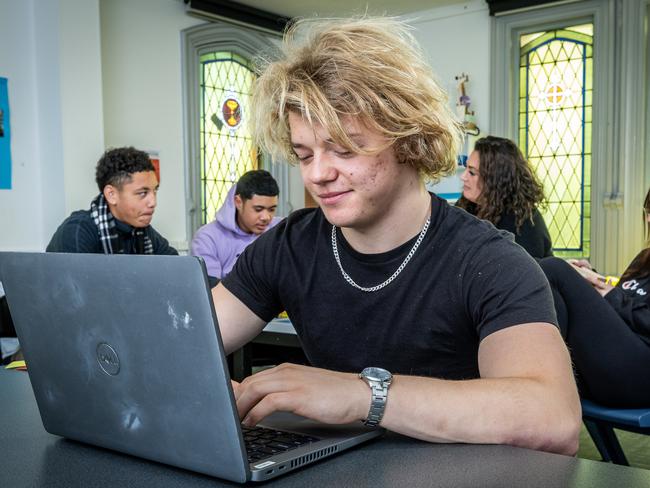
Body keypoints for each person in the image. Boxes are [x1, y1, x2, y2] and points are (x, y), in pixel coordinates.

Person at [212, 17, 580, 455]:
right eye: (304, 154)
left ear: (409, 140)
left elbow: (552, 418)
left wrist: (363, 395)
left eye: (345, 148)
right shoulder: (288, 246)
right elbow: (185, 339)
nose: (317, 174)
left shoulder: (490, 262)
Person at [539, 188, 650, 408]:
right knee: (558, 288)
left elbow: (625, 305)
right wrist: (594, 277)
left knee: (554, 269)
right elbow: (623, 302)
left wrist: (608, 294)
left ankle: (538, 386)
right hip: (618, 359)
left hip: (641, 375)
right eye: (649, 211)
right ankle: (541, 387)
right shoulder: (644, 258)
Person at [47, 147, 177, 255]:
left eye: (155, 191)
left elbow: (178, 269)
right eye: (142, 193)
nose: (153, 202)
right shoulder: (78, 231)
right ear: (111, 195)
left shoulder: (142, 231)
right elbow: (77, 285)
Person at [456, 136, 553, 259]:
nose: (463, 177)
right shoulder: (466, 206)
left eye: (472, 172)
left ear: (494, 180)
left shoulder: (523, 223)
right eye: (466, 168)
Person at [191, 170, 281, 283]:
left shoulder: (280, 231)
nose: (266, 217)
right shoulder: (208, 238)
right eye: (258, 209)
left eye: (271, 209)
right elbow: (210, 291)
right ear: (238, 202)